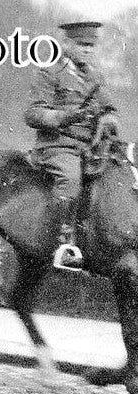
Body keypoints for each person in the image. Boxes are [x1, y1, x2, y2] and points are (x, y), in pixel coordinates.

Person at [24, 21, 121, 271]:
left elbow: (109, 107)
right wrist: (65, 117)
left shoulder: (95, 76)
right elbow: (33, 114)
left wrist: (109, 119)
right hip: (58, 146)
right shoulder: (49, 72)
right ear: (67, 44)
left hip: (91, 146)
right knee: (70, 178)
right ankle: (64, 244)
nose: (88, 50)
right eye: (82, 45)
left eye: (91, 46)